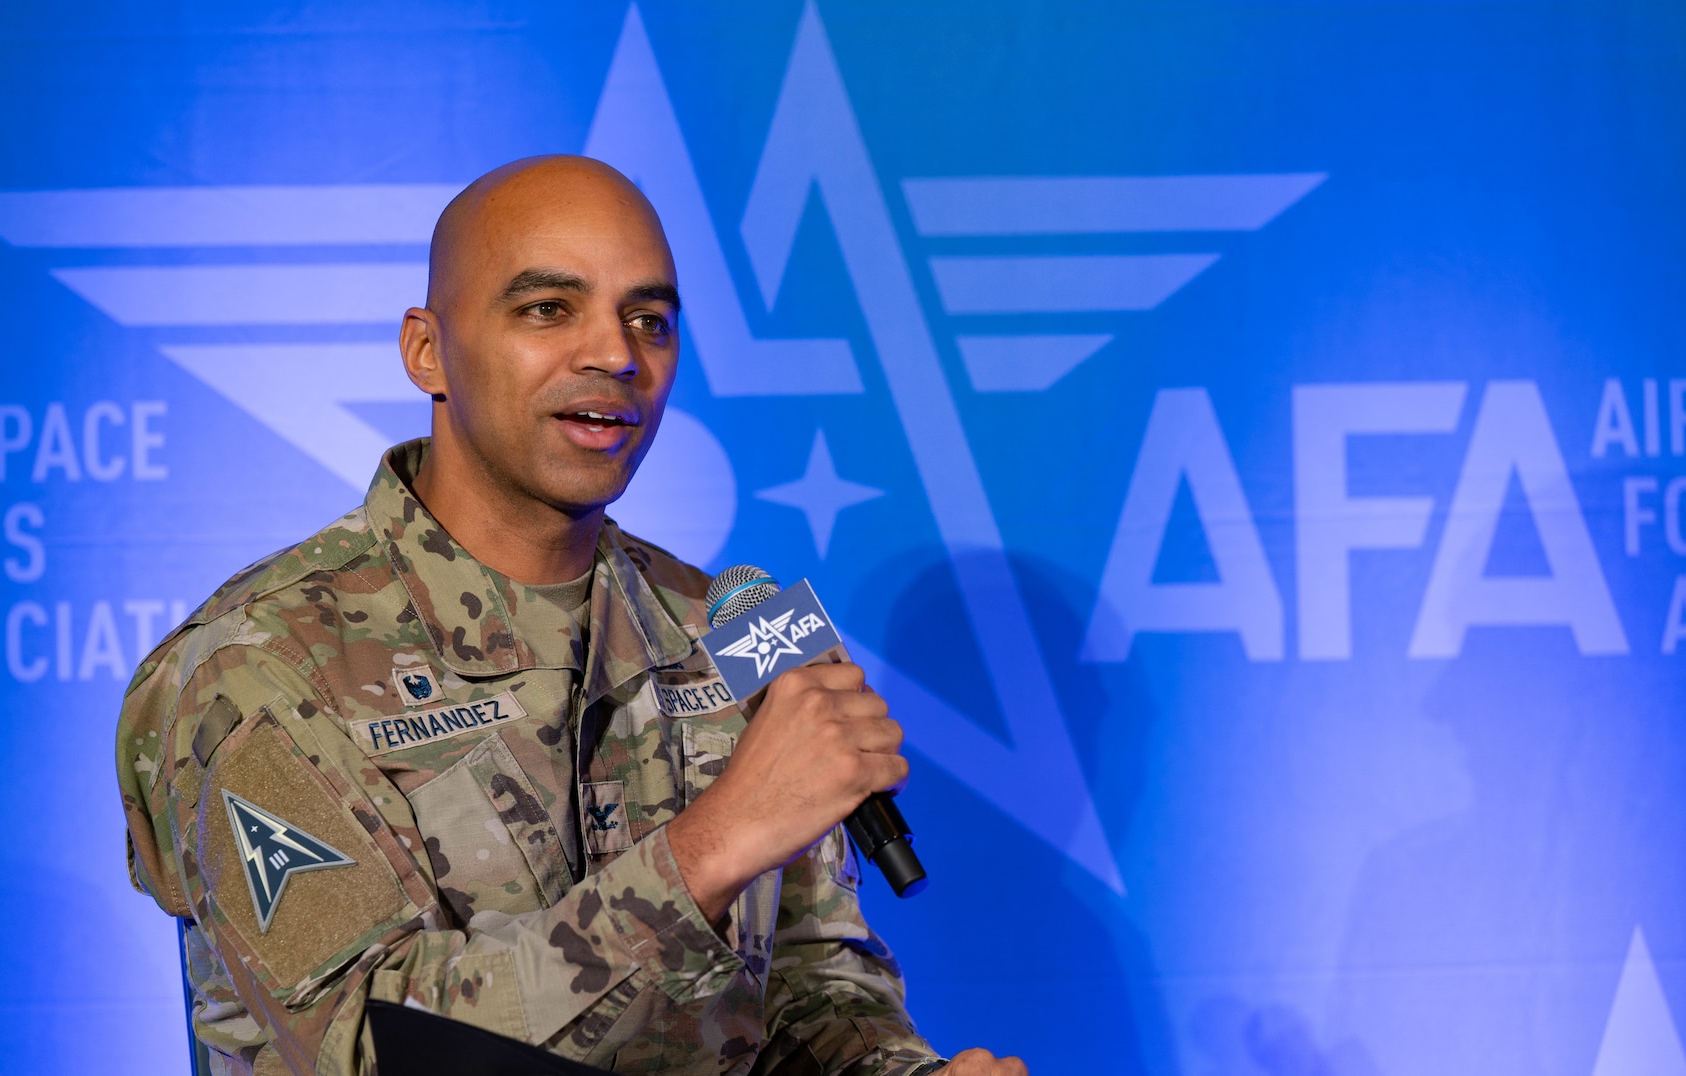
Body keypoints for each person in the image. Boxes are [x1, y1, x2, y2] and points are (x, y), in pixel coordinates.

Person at [115, 155, 1027, 1076]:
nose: (617, 355)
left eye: (649, 320)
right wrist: (711, 845)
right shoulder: (253, 665)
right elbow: (368, 1048)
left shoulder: (732, 628)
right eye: (548, 309)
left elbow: (810, 986)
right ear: (426, 351)